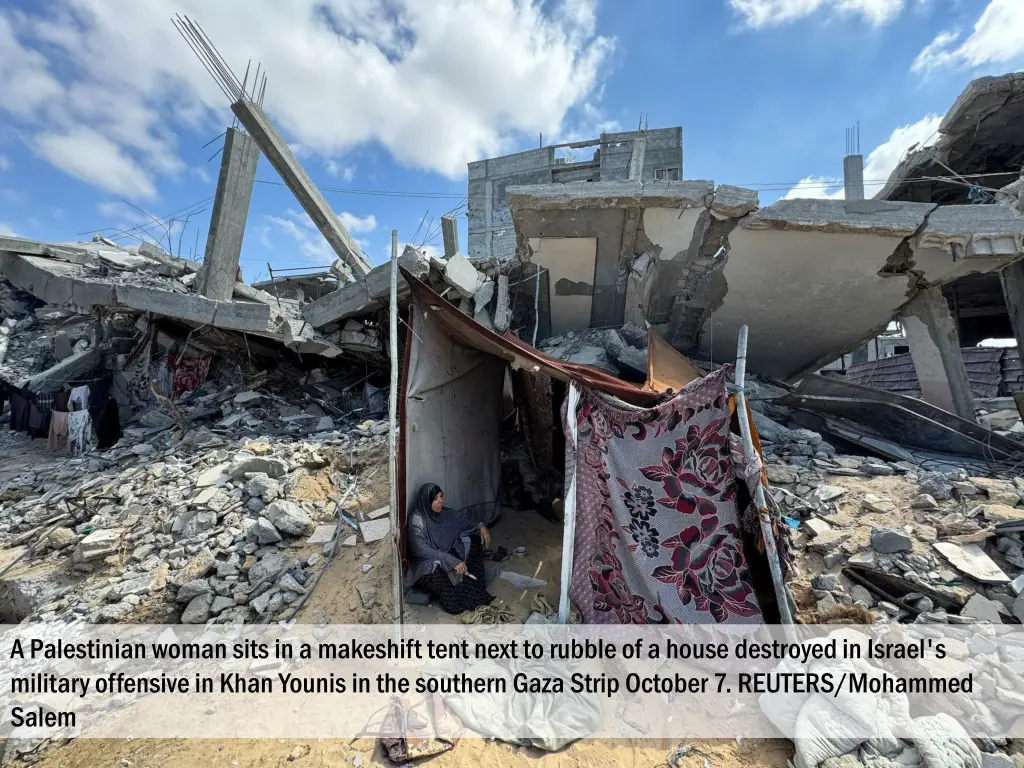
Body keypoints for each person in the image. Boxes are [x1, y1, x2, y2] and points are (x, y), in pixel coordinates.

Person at [405, 483, 497, 614]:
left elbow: (464, 522)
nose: (440, 501)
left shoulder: (445, 514)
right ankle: (456, 602)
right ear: (426, 501)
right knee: (440, 574)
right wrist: (449, 560)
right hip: (427, 563)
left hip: (446, 553)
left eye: (441, 496)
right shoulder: (417, 520)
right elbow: (421, 550)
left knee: (475, 543)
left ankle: (474, 586)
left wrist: (480, 526)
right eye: (435, 499)